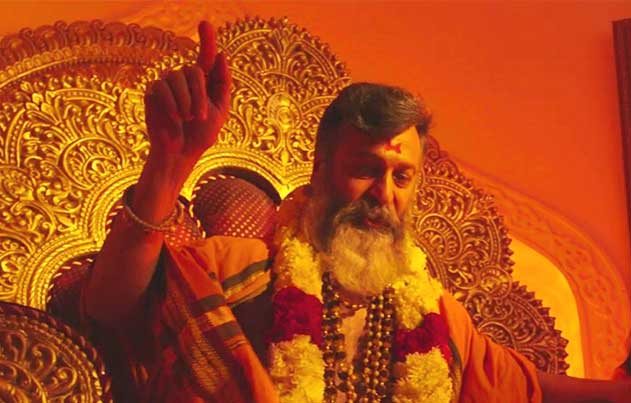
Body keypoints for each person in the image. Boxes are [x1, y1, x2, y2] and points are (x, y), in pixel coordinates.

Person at [83, 21, 631, 403]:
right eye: (365, 169)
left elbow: (526, 388)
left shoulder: (435, 315)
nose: (383, 194)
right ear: (321, 170)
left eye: (402, 176)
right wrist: (170, 161)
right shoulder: (236, 270)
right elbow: (110, 310)